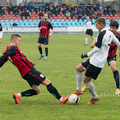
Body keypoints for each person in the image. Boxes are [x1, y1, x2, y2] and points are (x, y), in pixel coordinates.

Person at [0, 34, 70, 104]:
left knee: (37, 90)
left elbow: (3, 60)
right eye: (19, 41)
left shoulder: (9, 50)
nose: (19, 43)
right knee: (47, 82)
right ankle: (61, 99)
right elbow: (4, 57)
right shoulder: (12, 48)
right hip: (29, 71)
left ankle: (17, 95)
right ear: (14, 40)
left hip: (25, 73)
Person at [72, 17, 120, 105]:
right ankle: (79, 90)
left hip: (98, 62)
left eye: (97, 25)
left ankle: (94, 97)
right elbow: (119, 43)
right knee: (78, 69)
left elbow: (97, 48)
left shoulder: (103, 33)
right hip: (94, 58)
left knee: (86, 80)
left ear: (101, 24)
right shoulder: (109, 33)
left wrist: (86, 54)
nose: (96, 27)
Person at [82, 21, 120, 94]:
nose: (111, 29)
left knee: (114, 68)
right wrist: (93, 43)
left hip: (111, 55)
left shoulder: (118, 36)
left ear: (117, 28)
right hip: (101, 55)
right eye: (111, 27)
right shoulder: (107, 32)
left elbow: (119, 45)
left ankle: (118, 88)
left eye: (113, 28)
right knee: (94, 68)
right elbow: (98, 37)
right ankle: (87, 84)